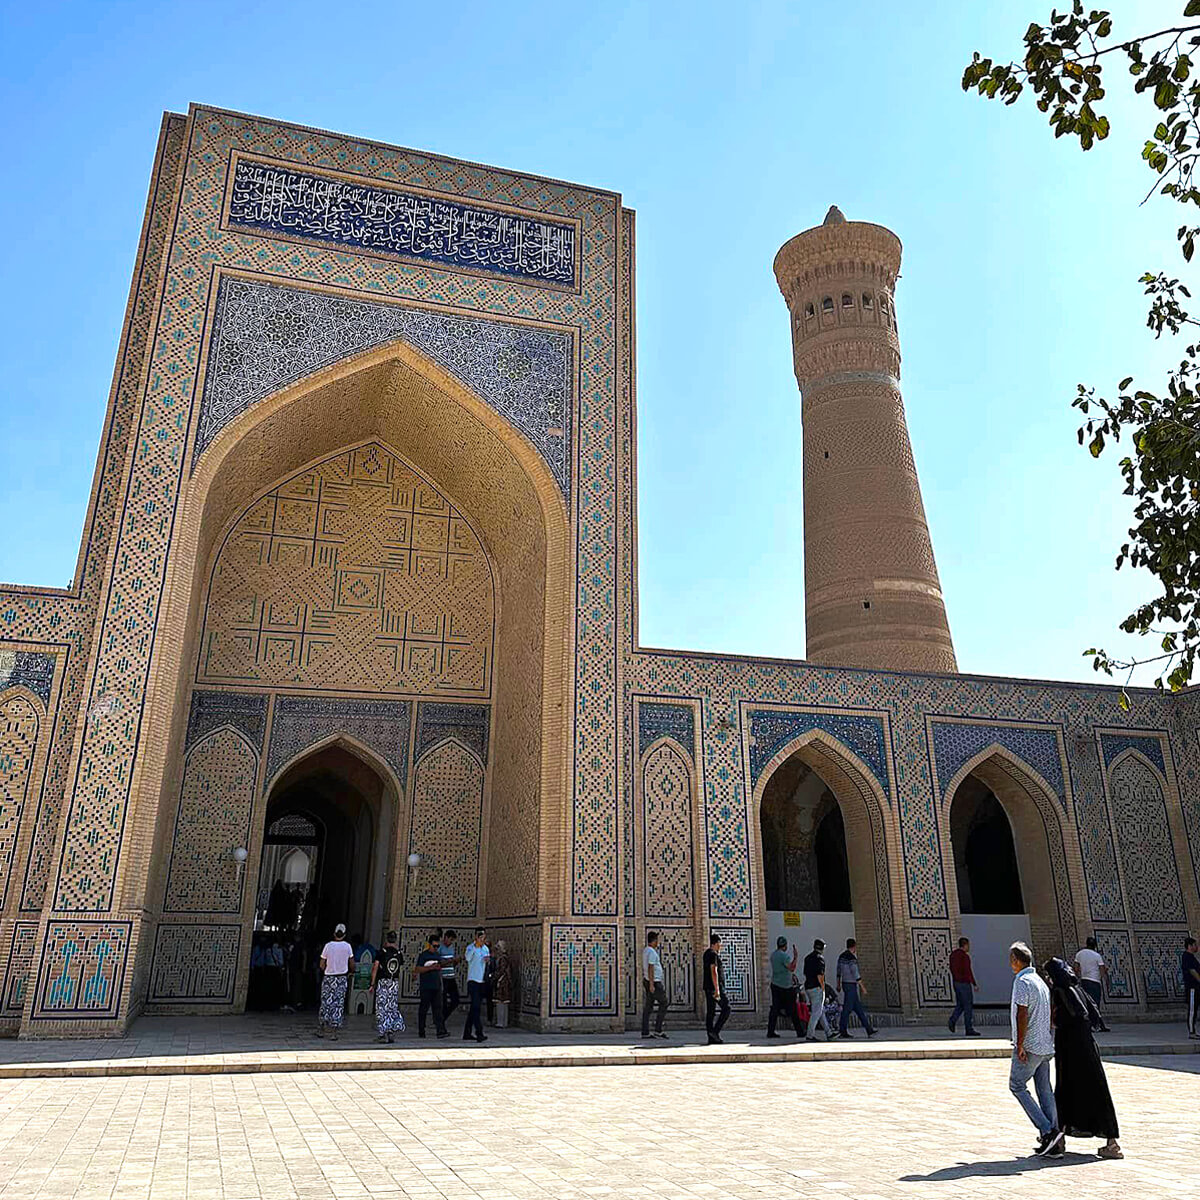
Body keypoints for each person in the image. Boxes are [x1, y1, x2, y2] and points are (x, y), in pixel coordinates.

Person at [1043, 957, 1122, 1159]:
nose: (1048, 980)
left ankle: (1059, 1140)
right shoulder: (1078, 989)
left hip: (1070, 1051)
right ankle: (1112, 1143)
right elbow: (1092, 1016)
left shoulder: (1060, 991)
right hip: (1088, 1048)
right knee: (1097, 1091)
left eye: (1048, 975)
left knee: (1064, 1092)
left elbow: (1062, 1019)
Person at [1007, 941, 1062, 1157]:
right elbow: (1050, 1012)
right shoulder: (1039, 981)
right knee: (1044, 1089)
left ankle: (1047, 1131)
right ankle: (1055, 1139)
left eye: (1011, 960)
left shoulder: (1022, 981)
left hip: (1030, 1046)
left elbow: (1022, 1014)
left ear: (1016, 960)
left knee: (1017, 1085)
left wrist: (1020, 1044)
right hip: (1046, 1045)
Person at [317, 922, 354, 1040]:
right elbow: (352, 963)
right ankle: (334, 1032)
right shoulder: (347, 946)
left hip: (329, 977)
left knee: (325, 1003)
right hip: (341, 978)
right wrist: (351, 971)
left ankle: (322, 1029)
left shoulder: (328, 946)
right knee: (338, 1004)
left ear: (334, 934)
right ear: (344, 934)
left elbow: (322, 964)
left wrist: (327, 969)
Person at [836, 938, 877, 1038]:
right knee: (847, 1009)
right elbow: (855, 973)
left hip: (845, 984)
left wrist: (838, 984)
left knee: (858, 1008)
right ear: (854, 946)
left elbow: (838, 971)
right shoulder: (852, 959)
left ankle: (869, 1029)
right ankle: (842, 1030)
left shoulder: (841, 957)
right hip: (851, 985)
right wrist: (862, 987)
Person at [371, 930, 405, 1043]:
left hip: (383, 982)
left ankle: (382, 1034)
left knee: (382, 1008)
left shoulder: (382, 952)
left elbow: (375, 967)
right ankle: (391, 1032)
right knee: (391, 1007)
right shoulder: (399, 953)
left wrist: (372, 983)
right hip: (393, 983)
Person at [767, 936, 803, 1038]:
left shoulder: (773, 955)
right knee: (793, 1009)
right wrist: (795, 956)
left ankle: (770, 1031)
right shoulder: (784, 956)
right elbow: (791, 968)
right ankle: (799, 1031)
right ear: (785, 945)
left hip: (775, 984)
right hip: (785, 987)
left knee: (775, 1009)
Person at [1073, 937, 1111, 1032]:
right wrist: (1104, 979)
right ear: (1095, 945)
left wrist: (1079, 976)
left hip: (1084, 980)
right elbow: (1102, 969)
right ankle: (1095, 1025)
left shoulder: (1080, 954)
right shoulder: (1096, 956)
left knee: (1087, 1003)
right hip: (1094, 981)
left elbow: (1076, 968)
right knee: (1095, 1004)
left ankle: (1093, 1024)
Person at [415, 932, 449, 1038]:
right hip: (426, 986)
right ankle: (421, 1030)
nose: (436, 948)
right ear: (429, 944)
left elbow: (439, 966)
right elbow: (418, 969)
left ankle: (440, 1031)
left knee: (438, 1009)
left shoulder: (437, 955)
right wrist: (430, 968)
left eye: (438, 946)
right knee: (424, 1009)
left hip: (436, 986)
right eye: (434, 946)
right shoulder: (423, 956)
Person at [803, 938, 834, 1041]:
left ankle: (829, 1033)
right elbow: (820, 976)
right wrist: (823, 988)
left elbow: (805, 973)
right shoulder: (820, 959)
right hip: (816, 988)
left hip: (808, 987)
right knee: (816, 1013)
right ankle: (810, 1035)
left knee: (820, 1011)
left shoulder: (807, 958)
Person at [702, 933, 730, 1045]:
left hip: (708, 987)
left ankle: (711, 1036)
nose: (720, 946)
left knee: (711, 1012)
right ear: (716, 943)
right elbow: (714, 971)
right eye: (719, 943)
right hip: (714, 988)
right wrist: (717, 989)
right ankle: (715, 1032)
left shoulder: (706, 954)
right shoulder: (713, 955)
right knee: (726, 1008)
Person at [948, 936, 980, 1036]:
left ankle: (952, 1020)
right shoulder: (964, 956)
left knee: (960, 1004)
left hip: (956, 983)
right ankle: (968, 1028)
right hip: (964, 983)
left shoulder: (953, 955)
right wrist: (974, 984)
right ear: (965, 945)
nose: (969, 947)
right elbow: (968, 971)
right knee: (967, 1006)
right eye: (968, 945)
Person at [463, 928, 490, 1043]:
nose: (482, 940)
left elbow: (487, 962)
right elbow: (468, 958)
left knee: (474, 1008)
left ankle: (467, 1033)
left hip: (481, 981)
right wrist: (475, 947)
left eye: (483, 937)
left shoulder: (485, 949)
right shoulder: (470, 947)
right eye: (480, 937)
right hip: (473, 981)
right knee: (476, 1008)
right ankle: (479, 1033)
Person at [641, 929, 668, 1039]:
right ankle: (658, 1029)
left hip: (648, 981)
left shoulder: (646, 951)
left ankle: (645, 1031)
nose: (658, 943)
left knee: (648, 1007)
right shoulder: (651, 952)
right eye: (657, 940)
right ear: (654, 940)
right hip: (654, 983)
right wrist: (652, 984)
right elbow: (651, 967)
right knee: (664, 1003)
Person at [438, 929, 461, 1021]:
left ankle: (442, 1018)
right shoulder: (439, 947)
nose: (451, 942)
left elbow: (452, 964)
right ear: (446, 937)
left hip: (451, 977)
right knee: (443, 1001)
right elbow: (437, 963)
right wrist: (448, 962)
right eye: (450, 940)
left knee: (455, 1000)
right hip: (442, 977)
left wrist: (455, 962)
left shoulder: (452, 948)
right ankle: (440, 1021)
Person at [491, 939, 514, 1028]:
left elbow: (501, 970)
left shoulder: (502, 959)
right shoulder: (505, 957)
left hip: (502, 982)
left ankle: (501, 1022)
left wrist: (494, 978)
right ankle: (504, 1022)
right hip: (505, 982)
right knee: (504, 1003)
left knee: (501, 1002)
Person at [1183, 936, 1200, 1040]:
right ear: (1189, 946)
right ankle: (1192, 1032)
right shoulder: (1187, 957)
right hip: (1192, 988)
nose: (1196, 947)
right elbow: (1192, 971)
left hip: (1196, 987)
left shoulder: (1192, 957)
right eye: (1195, 945)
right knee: (1192, 1010)